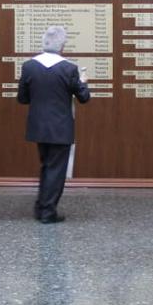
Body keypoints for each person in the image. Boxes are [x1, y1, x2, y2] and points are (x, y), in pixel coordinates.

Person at [17, 26, 90, 224]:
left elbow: (22, 99)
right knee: (56, 170)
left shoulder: (29, 66)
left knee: (47, 166)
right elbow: (84, 97)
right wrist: (83, 81)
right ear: (63, 46)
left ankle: (41, 206)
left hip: (38, 126)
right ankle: (48, 212)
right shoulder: (69, 68)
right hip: (60, 127)